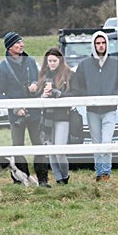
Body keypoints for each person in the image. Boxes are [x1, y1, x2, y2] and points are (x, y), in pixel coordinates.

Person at [0, 32, 50, 187]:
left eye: (21, 42)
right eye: (18, 43)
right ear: (10, 47)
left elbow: (41, 82)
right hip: (16, 115)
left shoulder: (31, 61)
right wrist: (15, 107)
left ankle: (43, 180)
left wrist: (36, 86)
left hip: (35, 112)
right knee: (17, 146)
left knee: (39, 144)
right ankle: (21, 179)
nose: (21, 45)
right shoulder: (2, 68)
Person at [71, 31, 118, 182]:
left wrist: (113, 96)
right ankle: (99, 172)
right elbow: (77, 83)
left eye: (103, 43)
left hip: (110, 109)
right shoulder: (85, 64)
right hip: (92, 110)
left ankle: (106, 172)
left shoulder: (115, 63)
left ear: (107, 44)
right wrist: (87, 96)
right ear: (93, 45)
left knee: (106, 141)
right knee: (96, 142)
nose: (101, 46)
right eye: (98, 43)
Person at [35, 48, 73, 185]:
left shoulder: (68, 74)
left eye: (54, 61)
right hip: (46, 118)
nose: (51, 63)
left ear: (60, 60)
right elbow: (36, 94)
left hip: (62, 116)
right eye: (49, 61)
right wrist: (42, 95)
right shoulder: (42, 75)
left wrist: (58, 94)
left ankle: (65, 175)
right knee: (50, 150)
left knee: (59, 151)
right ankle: (58, 179)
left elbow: (75, 93)